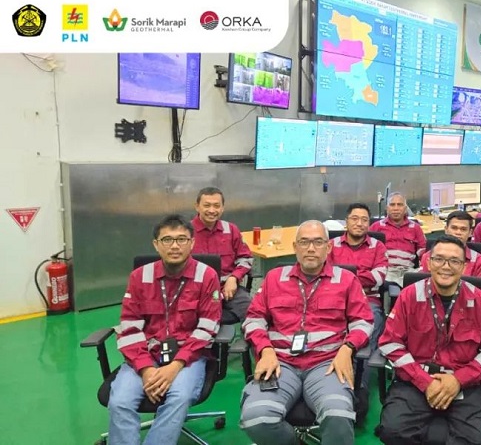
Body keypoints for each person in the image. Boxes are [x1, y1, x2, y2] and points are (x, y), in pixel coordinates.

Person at [239, 220, 374, 445]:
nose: (311, 248)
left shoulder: (346, 280)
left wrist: (348, 348)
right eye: (304, 242)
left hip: (327, 363)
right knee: (256, 417)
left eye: (318, 242)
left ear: (328, 247)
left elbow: (363, 321)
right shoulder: (274, 278)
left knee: (338, 415)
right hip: (280, 362)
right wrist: (265, 350)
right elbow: (254, 319)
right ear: (295, 247)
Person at [377, 235, 481, 445]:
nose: (446, 266)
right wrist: (424, 381)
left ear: (464, 267)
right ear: (428, 262)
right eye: (439, 259)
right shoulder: (409, 296)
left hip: (466, 384)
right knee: (393, 432)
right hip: (415, 381)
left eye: (454, 261)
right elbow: (390, 343)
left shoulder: (480, 300)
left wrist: (459, 380)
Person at [108, 214, 222, 445]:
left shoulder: (207, 276)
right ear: (156, 244)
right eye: (167, 240)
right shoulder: (139, 277)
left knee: (179, 397)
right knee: (119, 401)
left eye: (181, 239)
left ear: (192, 243)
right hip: (145, 354)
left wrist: (175, 366)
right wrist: (145, 369)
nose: (175, 246)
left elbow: (207, 327)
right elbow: (129, 326)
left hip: (188, 357)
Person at [328, 203, 389, 411]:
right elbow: (323, 273)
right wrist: (359, 277)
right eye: (354, 218)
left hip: (367, 301)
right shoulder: (331, 245)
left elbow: (379, 277)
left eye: (364, 220)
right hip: (333, 301)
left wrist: (342, 277)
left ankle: (358, 388)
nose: (359, 223)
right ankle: (331, 383)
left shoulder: (378, 247)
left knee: (366, 337)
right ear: (346, 221)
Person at [191, 187, 254, 324]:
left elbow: (246, 258)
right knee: (188, 318)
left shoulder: (231, 230)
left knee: (253, 312)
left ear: (222, 208)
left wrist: (234, 278)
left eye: (216, 206)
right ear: (197, 206)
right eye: (207, 205)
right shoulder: (186, 233)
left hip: (228, 288)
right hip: (196, 290)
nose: (212, 210)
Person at [370, 192, 426, 295]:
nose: (396, 208)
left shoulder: (415, 228)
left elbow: (423, 252)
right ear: (387, 208)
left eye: (399, 205)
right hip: (386, 270)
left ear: (405, 208)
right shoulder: (376, 227)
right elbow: (367, 252)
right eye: (392, 205)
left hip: (408, 271)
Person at [419, 210, 481, 278]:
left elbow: (480, 285)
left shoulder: (479, 261)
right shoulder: (428, 257)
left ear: (470, 233)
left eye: (463, 229)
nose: (458, 232)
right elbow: (422, 282)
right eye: (454, 228)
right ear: (446, 229)